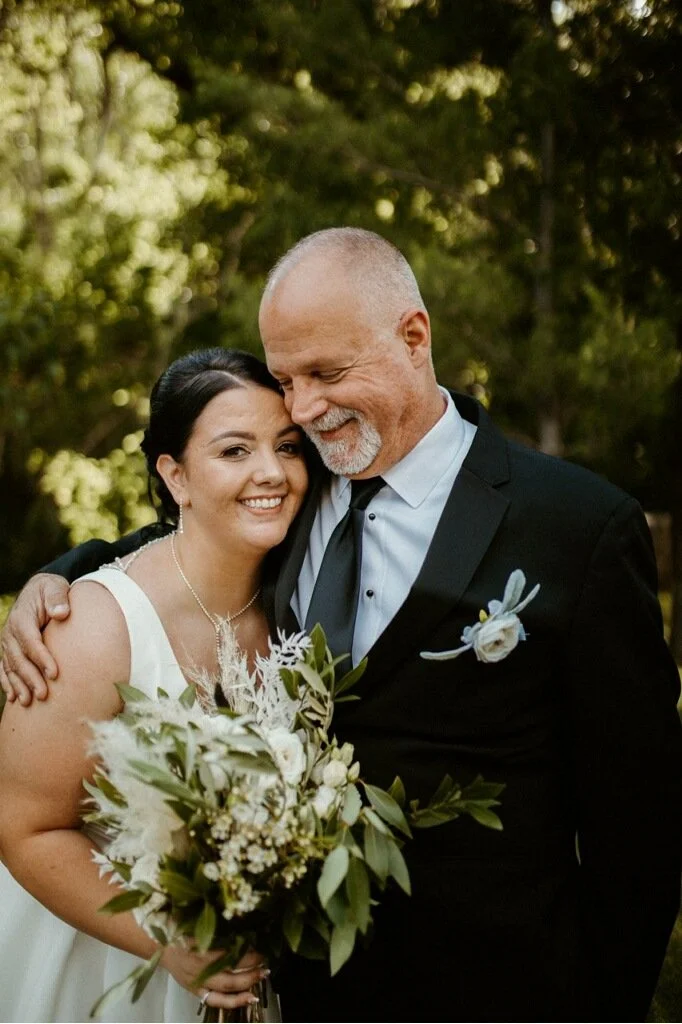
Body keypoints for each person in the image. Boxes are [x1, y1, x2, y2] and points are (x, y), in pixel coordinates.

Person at [3, 228, 682, 1022]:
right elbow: (196, 525)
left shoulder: (576, 527)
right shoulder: (305, 481)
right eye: (286, 379)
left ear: (413, 336)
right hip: (305, 986)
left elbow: (638, 823)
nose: (304, 408)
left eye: (326, 372)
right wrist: (64, 571)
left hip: (500, 985)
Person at [0, 347, 309, 1023]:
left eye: (287, 446)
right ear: (175, 474)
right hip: (102, 968)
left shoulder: (299, 601)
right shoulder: (93, 626)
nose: (272, 472)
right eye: (234, 451)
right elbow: (22, 827)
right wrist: (166, 940)